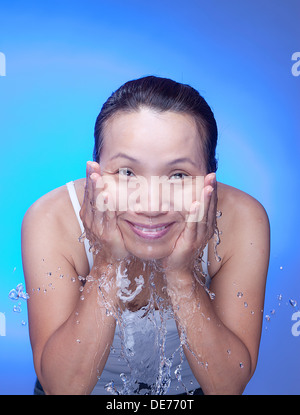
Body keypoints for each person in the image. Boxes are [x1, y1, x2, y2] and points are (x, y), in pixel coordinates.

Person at [21, 76, 270, 395]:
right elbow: (63, 388)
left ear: (210, 177)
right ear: (96, 173)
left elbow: (227, 386)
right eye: (126, 172)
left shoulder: (242, 219)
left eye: (178, 175)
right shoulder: (52, 218)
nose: (151, 204)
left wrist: (182, 275)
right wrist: (107, 263)